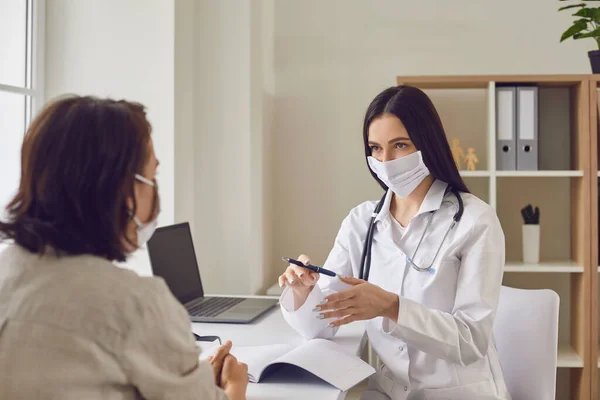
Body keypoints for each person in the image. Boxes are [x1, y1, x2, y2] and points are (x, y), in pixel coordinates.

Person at [0, 96, 248, 400]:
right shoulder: (135, 305)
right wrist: (235, 387)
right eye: (152, 176)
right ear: (124, 190)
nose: (155, 189)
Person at [278, 86, 511, 400]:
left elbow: (470, 341)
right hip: (389, 392)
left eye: (400, 145)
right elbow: (320, 327)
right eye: (375, 148)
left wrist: (390, 306)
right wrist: (304, 292)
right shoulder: (361, 223)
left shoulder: (475, 220)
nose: (385, 161)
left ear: (427, 144)